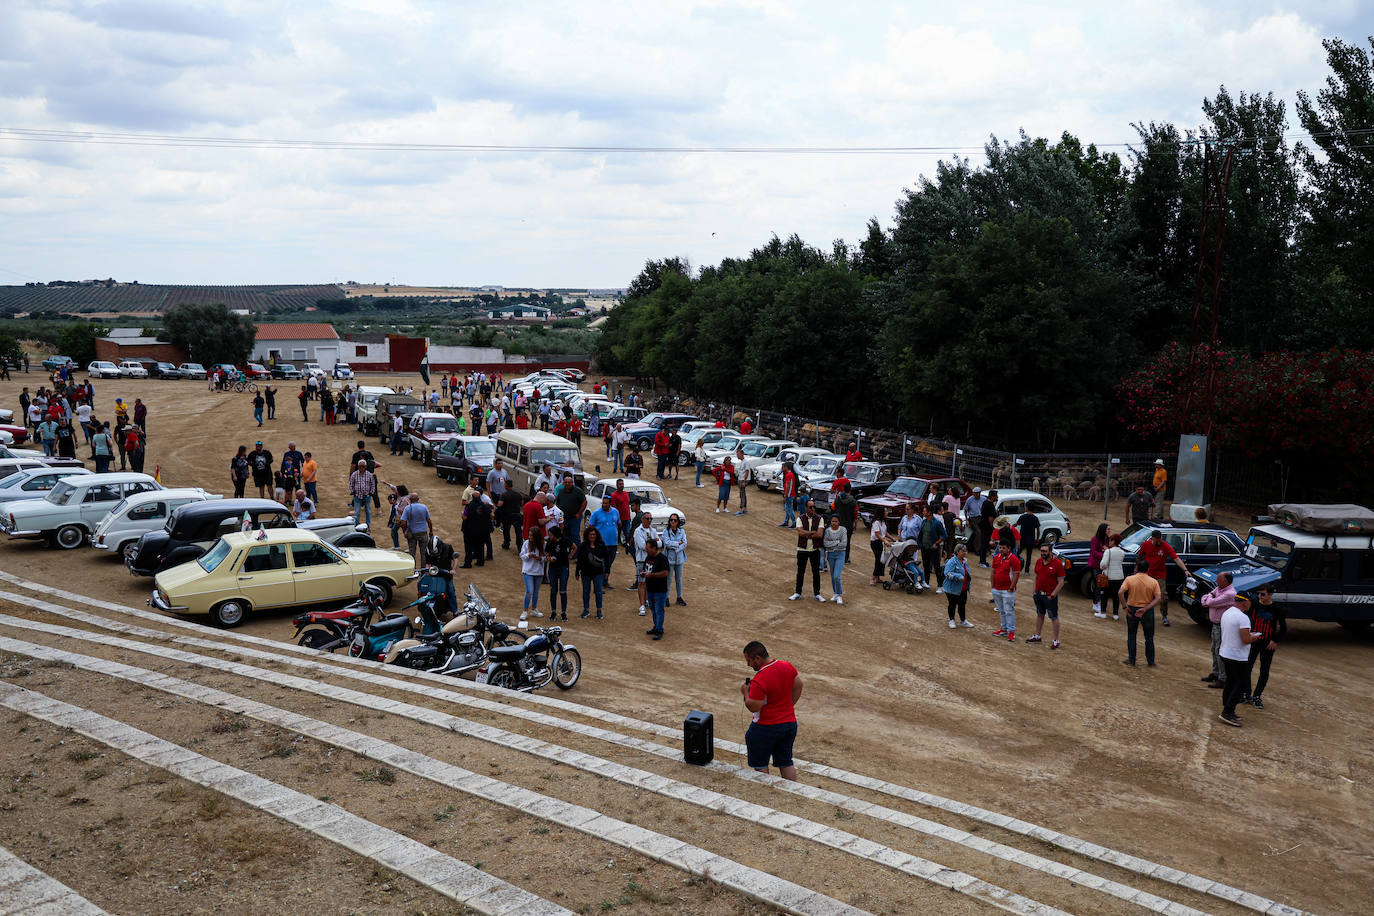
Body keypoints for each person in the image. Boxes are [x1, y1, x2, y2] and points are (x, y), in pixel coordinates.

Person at [741, 641, 802, 780]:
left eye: (749, 661)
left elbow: (754, 706)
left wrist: (745, 693)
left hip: (765, 728)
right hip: (789, 724)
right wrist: (788, 706)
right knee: (786, 762)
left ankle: (765, 793)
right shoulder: (787, 666)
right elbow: (799, 685)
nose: (748, 665)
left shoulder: (760, 679)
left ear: (757, 658)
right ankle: (793, 792)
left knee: (760, 764)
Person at [1218, 596, 1266, 727]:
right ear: (1245, 602)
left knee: (1231, 681)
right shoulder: (1243, 618)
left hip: (1225, 653)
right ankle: (1227, 712)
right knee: (1242, 685)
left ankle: (1227, 708)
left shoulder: (1227, 612)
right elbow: (1245, 639)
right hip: (1237, 657)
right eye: (1250, 602)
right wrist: (1254, 637)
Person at [1243, 587, 1285, 709]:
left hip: (1267, 643)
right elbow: (1247, 619)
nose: (1259, 596)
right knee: (1247, 667)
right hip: (1253, 641)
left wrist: (1275, 640)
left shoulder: (1277, 609)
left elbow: (1283, 628)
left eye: (1262, 594)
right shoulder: (1254, 604)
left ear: (1270, 595)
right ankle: (1247, 693)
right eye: (1258, 594)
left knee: (1264, 670)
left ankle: (1257, 696)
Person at [1139, 528, 1187, 627]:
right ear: (1152, 538)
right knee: (1144, 595)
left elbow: (1176, 559)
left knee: (1163, 597)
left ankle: (1164, 616)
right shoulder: (1145, 545)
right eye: (1157, 540)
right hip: (1147, 574)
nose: (1159, 542)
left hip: (1160, 574)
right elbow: (1139, 558)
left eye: (1160, 539)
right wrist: (1137, 570)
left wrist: (1185, 570)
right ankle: (1143, 614)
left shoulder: (1165, 546)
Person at [1200, 570, 1238, 689]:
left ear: (1225, 581)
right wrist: (1209, 597)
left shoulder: (1229, 594)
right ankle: (1216, 673)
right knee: (1214, 649)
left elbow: (1209, 602)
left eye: (1219, 579)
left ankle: (1223, 678)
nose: (1216, 581)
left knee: (1220, 652)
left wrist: (1209, 597)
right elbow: (1205, 600)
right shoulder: (1220, 588)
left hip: (1223, 627)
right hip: (1216, 625)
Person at [1119, 560, 1161, 667]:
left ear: (1137, 568)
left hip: (1132, 609)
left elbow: (1120, 592)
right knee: (1149, 637)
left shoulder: (1130, 579)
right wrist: (1146, 608)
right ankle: (1151, 661)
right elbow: (1158, 598)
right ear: (1148, 569)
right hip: (1146, 611)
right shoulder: (1153, 582)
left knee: (1132, 635)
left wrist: (1125, 607)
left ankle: (1131, 659)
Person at [1029, 543, 1067, 649]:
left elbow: (1061, 582)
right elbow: (1036, 576)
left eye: (1045, 551)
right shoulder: (1038, 562)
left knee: (1053, 617)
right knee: (1040, 614)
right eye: (1041, 551)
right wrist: (1034, 591)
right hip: (1039, 594)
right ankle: (1037, 636)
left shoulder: (1057, 564)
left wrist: (1053, 594)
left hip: (1049, 596)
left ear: (1050, 552)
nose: (1042, 553)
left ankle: (1056, 640)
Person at [789, 501, 825, 602]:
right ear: (806, 508)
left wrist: (807, 534)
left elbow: (820, 535)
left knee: (816, 572)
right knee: (800, 572)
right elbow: (800, 533)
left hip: (814, 549)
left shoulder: (820, 518)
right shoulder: (800, 518)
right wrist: (812, 532)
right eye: (810, 507)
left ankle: (817, 594)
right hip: (802, 549)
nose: (812, 509)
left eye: (814, 507)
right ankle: (798, 592)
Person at [990, 538, 1021, 640]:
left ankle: (1011, 631)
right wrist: (993, 586)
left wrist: (1011, 588)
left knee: (1009, 610)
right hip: (997, 589)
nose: (1001, 549)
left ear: (1009, 549)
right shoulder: (996, 557)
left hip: (1008, 590)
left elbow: (1016, 574)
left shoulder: (1014, 559)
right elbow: (993, 572)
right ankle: (1004, 629)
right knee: (1001, 610)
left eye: (1004, 548)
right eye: (1000, 547)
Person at [576, 526, 609, 619]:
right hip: (585, 572)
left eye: (594, 534)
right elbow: (579, 559)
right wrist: (577, 572)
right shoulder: (583, 545)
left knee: (598, 591)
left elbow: (607, 558)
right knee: (586, 591)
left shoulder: (601, 544)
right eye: (590, 534)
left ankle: (599, 610)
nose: (592, 536)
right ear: (587, 535)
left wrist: (607, 570)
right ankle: (586, 609)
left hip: (598, 573)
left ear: (596, 535)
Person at [588, 495, 621, 583]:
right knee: (601, 564)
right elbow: (590, 527)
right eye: (603, 503)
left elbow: (619, 523)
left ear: (610, 504)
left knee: (609, 564)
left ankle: (605, 581)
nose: (604, 505)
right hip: (601, 544)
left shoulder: (615, 512)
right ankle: (599, 583)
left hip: (613, 543)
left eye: (606, 503)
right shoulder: (596, 513)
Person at [460, 481, 494, 568]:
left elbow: (465, 517)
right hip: (481, 530)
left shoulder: (469, 506)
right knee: (480, 546)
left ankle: (468, 563)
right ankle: (480, 561)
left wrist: (462, 514)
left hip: (470, 530)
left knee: (468, 547)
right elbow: (491, 514)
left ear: (472, 497)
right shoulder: (485, 506)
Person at [545, 525, 575, 621]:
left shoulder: (565, 540)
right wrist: (550, 559)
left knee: (562, 591)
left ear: (556, 534)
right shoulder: (549, 542)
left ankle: (563, 612)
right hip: (553, 569)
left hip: (563, 568)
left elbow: (575, 547)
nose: (550, 537)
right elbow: (547, 554)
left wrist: (570, 556)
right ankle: (553, 612)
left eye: (551, 535)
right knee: (553, 591)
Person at [642, 538, 670, 639]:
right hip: (650, 589)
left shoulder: (662, 558)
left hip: (660, 590)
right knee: (653, 610)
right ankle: (656, 626)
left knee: (659, 610)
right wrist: (643, 573)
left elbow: (666, 573)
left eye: (647, 548)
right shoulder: (648, 557)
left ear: (654, 548)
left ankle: (659, 629)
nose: (646, 550)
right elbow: (645, 569)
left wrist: (652, 575)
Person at [942, 544, 975, 628]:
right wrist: (958, 576)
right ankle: (951, 620)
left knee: (962, 604)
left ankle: (963, 621)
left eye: (965, 551)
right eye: (963, 551)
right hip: (952, 588)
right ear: (957, 552)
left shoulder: (964, 561)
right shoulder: (952, 561)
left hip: (963, 588)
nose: (965, 553)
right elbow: (947, 573)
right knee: (952, 604)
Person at [1098, 533, 1126, 620]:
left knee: (1104, 595)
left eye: (1110, 540)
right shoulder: (1122, 552)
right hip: (1119, 577)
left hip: (1109, 577)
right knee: (1116, 596)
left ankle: (1103, 612)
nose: (1109, 542)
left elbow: (1103, 565)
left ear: (1114, 541)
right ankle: (1115, 614)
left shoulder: (1108, 551)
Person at [519, 527, 546, 617]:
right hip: (528, 571)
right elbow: (522, 555)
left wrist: (540, 558)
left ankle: (534, 609)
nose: (529, 537)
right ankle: (525, 611)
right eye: (529, 535)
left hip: (538, 571)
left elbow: (546, 558)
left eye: (531, 535)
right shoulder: (526, 543)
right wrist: (528, 555)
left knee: (536, 592)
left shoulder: (543, 544)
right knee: (529, 591)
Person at [632, 513, 656, 616]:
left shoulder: (653, 530)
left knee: (649, 582)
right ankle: (642, 605)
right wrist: (653, 542)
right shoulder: (638, 531)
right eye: (647, 518)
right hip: (642, 560)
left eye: (651, 518)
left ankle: (646, 601)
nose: (649, 520)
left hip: (652, 560)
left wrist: (652, 543)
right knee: (641, 582)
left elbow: (659, 544)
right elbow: (642, 545)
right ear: (643, 519)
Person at [661, 513, 687, 606]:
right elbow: (667, 543)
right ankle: (666, 598)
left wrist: (676, 548)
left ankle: (679, 597)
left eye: (675, 520)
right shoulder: (666, 531)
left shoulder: (682, 531)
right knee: (668, 579)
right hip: (669, 560)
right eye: (671, 520)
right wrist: (677, 544)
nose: (673, 522)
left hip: (679, 559)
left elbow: (684, 543)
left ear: (677, 522)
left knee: (679, 579)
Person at [399, 493, 431, 568]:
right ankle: (423, 571)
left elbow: (403, 522)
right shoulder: (424, 507)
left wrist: (405, 530)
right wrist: (431, 531)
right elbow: (429, 521)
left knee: (412, 553)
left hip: (412, 533)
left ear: (410, 500)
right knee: (424, 553)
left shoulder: (407, 508)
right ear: (418, 499)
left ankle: (413, 571)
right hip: (423, 532)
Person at [822, 514, 848, 604]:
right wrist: (837, 542)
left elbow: (844, 543)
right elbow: (825, 543)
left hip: (840, 554)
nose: (834, 523)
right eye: (833, 521)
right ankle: (835, 593)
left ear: (839, 522)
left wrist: (831, 543)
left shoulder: (843, 530)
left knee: (837, 576)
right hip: (830, 555)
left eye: (836, 521)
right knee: (833, 576)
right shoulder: (827, 531)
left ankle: (839, 594)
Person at [554, 473, 586, 545]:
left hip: (574, 518)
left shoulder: (578, 491)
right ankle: (568, 552)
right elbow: (558, 502)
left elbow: (584, 502)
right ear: (563, 483)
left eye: (569, 482)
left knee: (574, 535)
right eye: (566, 482)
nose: (568, 484)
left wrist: (579, 513)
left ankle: (577, 553)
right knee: (565, 535)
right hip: (564, 518)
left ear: (572, 483)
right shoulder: (561, 491)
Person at [1088, 523, 1110, 614]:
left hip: (1103, 566)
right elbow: (1093, 552)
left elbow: (1109, 549)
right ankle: (1095, 603)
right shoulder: (1095, 539)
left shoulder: (1107, 539)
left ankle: (1098, 602)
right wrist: (1104, 553)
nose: (1109, 531)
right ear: (1103, 530)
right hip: (1095, 565)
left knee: (1102, 585)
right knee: (1098, 585)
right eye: (1108, 529)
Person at [833, 483, 857, 564]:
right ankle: (846, 559)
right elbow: (855, 515)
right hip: (848, 524)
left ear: (843, 489)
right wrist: (855, 525)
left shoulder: (838, 500)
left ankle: (836, 557)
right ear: (850, 490)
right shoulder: (853, 502)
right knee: (847, 542)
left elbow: (833, 508)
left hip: (838, 524)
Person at [348, 459, 375, 527]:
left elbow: (373, 484)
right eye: (360, 466)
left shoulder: (369, 475)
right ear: (358, 466)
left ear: (365, 466)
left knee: (368, 512)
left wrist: (371, 493)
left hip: (367, 496)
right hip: (357, 496)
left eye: (363, 466)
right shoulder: (354, 474)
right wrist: (353, 492)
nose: (361, 468)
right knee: (357, 512)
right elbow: (351, 484)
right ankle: (357, 525)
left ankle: (367, 526)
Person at [1015, 506, 1040, 573]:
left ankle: (1017, 567)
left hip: (1022, 539)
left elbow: (1016, 524)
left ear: (1027, 508)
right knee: (1029, 555)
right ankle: (1027, 571)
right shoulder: (1035, 518)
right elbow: (1038, 530)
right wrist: (1037, 539)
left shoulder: (1023, 517)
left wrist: (1010, 527)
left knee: (1017, 553)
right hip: (1031, 539)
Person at [977, 489, 998, 567]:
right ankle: (982, 562)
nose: (997, 497)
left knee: (984, 544)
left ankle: (982, 561)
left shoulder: (985, 502)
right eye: (996, 496)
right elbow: (991, 519)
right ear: (993, 497)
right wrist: (992, 527)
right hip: (987, 527)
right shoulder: (990, 505)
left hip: (983, 526)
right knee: (985, 544)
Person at [869, 508, 889, 586]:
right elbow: (877, 534)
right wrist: (885, 541)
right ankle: (873, 578)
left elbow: (885, 533)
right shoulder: (876, 522)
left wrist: (892, 538)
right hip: (875, 543)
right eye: (886, 511)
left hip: (881, 542)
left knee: (882, 560)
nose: (887, 512)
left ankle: (877, 577)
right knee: (878, 559)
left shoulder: (883, 522)